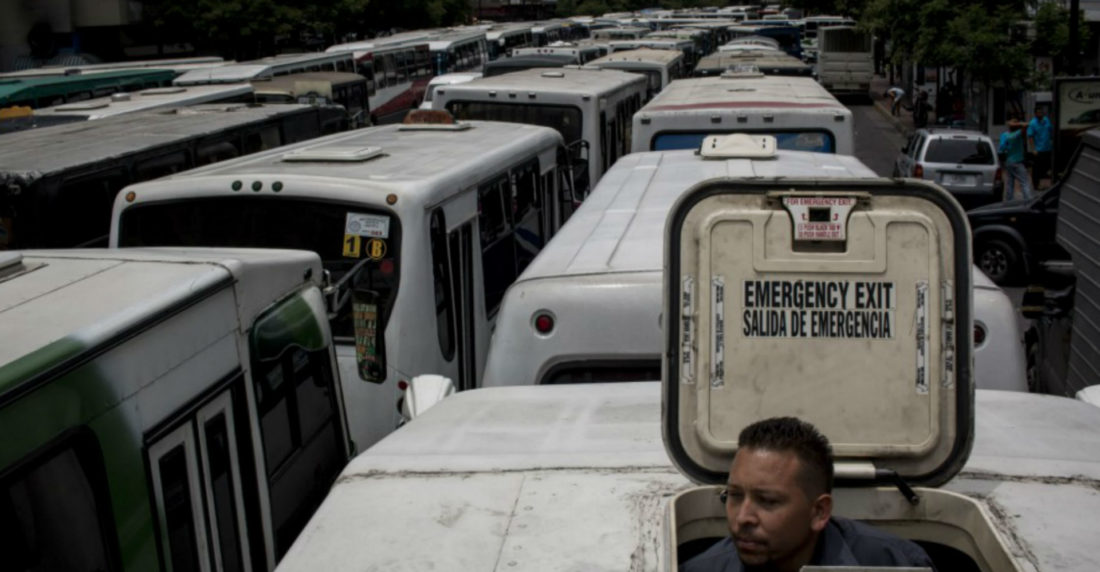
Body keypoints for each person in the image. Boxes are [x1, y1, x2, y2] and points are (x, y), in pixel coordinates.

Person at [683, 417, 936, 572]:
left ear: (819, 512)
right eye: (735, 496)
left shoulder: (896, 564)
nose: (743, 518)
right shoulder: (702, 569)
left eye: (767, 501)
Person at [999, 118, 1034, 201]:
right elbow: (1026, 125)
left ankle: (1008, 201)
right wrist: (1020, 123)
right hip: (1017, 162)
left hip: (1008, 161)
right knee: (1024, 182)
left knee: (1010, 183)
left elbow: (1002, 148)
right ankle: (1028, 200)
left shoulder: (1004, 135)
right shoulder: (1018, 134)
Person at [1027, 107, 1053, 189]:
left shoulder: (1047, 120)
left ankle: (1047, 183)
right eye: (1038, 112)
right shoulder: (1033, 123)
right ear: (1035, 114)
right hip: (1038, 150)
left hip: (1048, 149)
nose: (1040, 114)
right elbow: (1030, 137)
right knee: (1036, 169)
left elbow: (1051, 130)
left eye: (1041, 112)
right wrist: (1033, 149)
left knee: (1047, 167)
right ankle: (1036, 185)